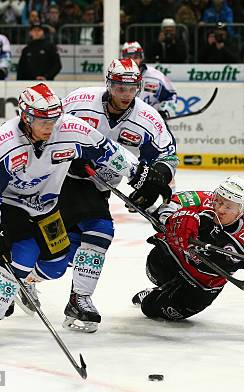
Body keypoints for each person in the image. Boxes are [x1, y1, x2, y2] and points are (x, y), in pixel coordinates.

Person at [0, 83, 149, 346]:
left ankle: (8, 281)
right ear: (25, 116)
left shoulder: (70, 128)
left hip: (47, 206)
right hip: (11, 207)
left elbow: (108, 150)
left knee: (55, 266)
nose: (50, 126)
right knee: (22, 257)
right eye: (43, 120)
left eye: (54, 118)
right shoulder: (2, 142)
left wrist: (139, 174)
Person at [51, 58, 177, 332]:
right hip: (56, 180)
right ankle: (16, 280)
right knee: (52, 253)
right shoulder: (79, 100)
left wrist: (155, 180)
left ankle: (79, 298)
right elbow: (47, 126)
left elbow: (168, 156)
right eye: (120, 87)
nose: (126, 94)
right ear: (108, 84)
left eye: (132, 88)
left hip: (96, 187)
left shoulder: (147, 118)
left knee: (98, 233)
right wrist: (65, 151)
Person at [132, 176, 244, 345]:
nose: (219, 208)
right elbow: (171, 203)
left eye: (228, 206)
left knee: (150, 308)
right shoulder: (204, 201)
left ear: (242, 210)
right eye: (218, 201)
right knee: (153, 267)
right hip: (173, 259)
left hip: (201, 286)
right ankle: (162, 286)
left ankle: (155, 295)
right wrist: (177, 217)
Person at [121, 41, 178, 120]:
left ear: (141, 57)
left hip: (150, 124)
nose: (132, 61)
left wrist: (165, 110)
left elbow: (171, 96)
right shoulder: (116, 77)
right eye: (128, 57)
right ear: (122, 59)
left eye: (136, 57)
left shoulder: (156, 76)